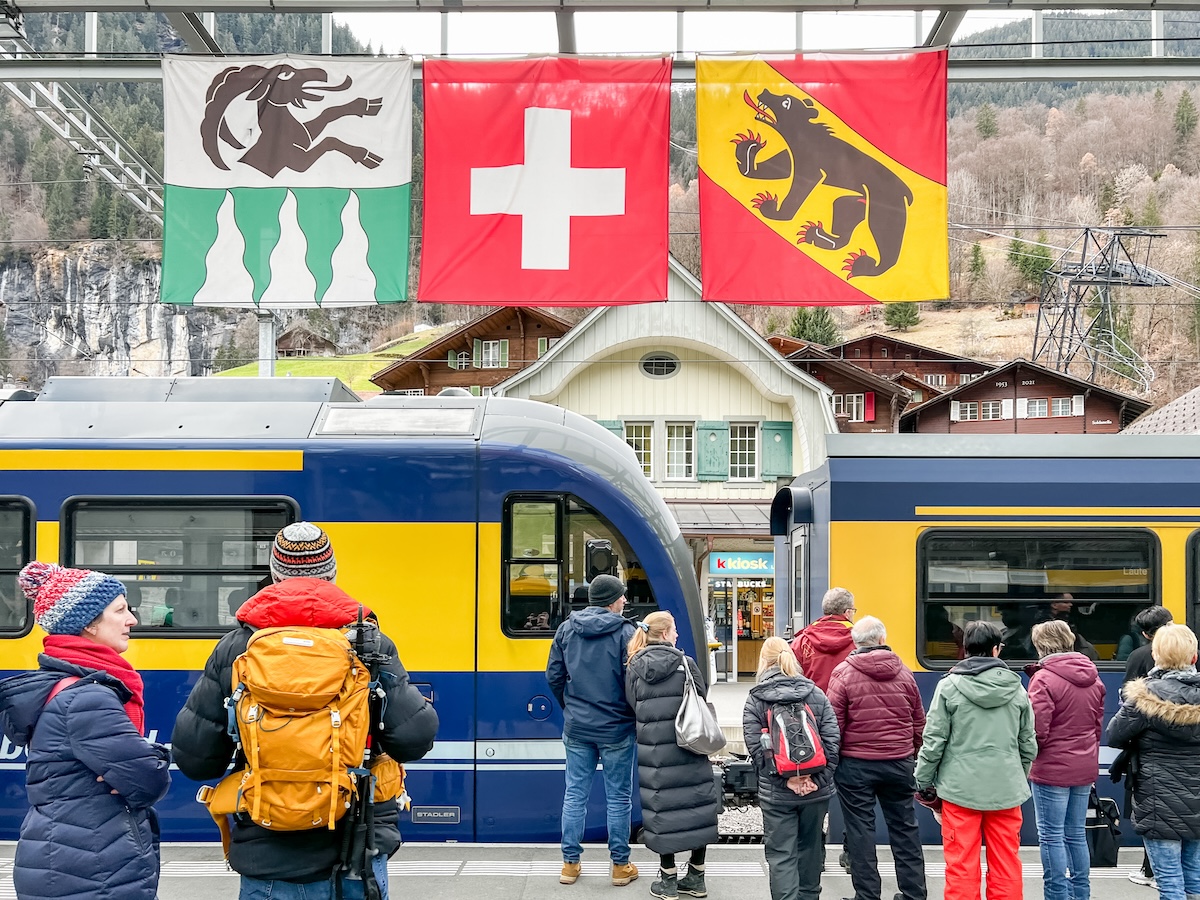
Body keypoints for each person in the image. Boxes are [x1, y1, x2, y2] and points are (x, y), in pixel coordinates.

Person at [171, 522, 438, 900]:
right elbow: (414, 738)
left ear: (275, 575)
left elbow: (196, 759)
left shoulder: (238, 647)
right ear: (331, 574)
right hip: (355, 847)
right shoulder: (369, 643)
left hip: (267, 847)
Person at [0, 562, 171, 900]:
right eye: (120, 610)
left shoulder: (64, 686)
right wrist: (155, 756)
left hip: (69, 857)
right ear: (90, 623)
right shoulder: (88, 697)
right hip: (92, 866)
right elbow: (148, 780)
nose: (132, 619)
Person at [915, 620, 1036, 900]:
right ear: (995, 650)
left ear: (965, 649)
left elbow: (933, 741)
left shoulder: (949, 687)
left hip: (959, 791)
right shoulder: (1017, 689)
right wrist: (1017, 774)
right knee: (1006, 863)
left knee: (961, 864)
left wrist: (924, 780)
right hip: (1006, 790)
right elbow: (1028, 743)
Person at [546, 573, 640, 887]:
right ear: (612, 600)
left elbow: (554, 677)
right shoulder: (627, 632)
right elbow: (633, 683)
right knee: (618, 799)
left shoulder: (566, 630)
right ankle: (619, 866)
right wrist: (627, 713)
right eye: (622, 596)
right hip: (616, 729)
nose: (625, 601)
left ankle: (570, 865)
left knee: (574, 795)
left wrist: (571, 708)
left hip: (578, 727)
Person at [826, 616, 927, 900]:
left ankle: (867, 896)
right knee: (905, 828)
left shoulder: (843, 673)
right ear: (882, 640)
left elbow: (834, 726)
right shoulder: (905, 672)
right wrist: (912, 753)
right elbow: (919, 722)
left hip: (856, 766)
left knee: (860, 831)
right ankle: (914, 894)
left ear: (855, 644)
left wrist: (835, 761)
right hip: (899, 762)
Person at [625, 611, 720, 900]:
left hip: (654, 753)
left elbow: (633, 706)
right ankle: (697, 877)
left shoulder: (633, 667)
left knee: (662, 809)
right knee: (697, 808)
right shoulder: (685, 664)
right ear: (665, 634)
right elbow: (701, 696)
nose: (677, 634)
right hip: (689, 745)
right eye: (675, 630)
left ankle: (667, 881)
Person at [743, 636, 840, 900]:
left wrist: (786, 780)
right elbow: (832, 743)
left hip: (777, 793)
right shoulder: (815, 693)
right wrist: (815, 781)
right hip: (815, 793)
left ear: (764, 662)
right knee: (810, 849)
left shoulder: (756, 699)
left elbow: (757, 750)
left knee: (781, 855)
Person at [1108, 624, 1200, 900]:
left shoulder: (1145, 696)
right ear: (1194, 657)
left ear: (1157, 657)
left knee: (1169, 881)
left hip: (1157, 800)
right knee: (1194, 878)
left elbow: (1114, 734)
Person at [1025, 620, 1106, 900]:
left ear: (1041, 645)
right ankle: (1081, 893)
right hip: (1084, 766)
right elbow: (1096, 727)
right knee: (1075, 834)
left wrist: (1028, 758)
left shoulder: (1043, 679)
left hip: (1051, 768)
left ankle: (1057, 895)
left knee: (1051, 836)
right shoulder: (1093, 677)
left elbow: (1038, 731)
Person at [1123, 606, 1174, 888]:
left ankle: (1153, 871)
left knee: (1151, 809)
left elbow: (1126, 704)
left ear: (1144, 634)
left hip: (1147, 747)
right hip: (1188, 749)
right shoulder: (1194, 655)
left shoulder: (1139, 656)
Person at [790, 587, 856, 692]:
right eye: (853, 610)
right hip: (849, 706)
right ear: (847, 612)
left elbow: (791, 681)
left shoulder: (801, 642)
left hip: (811, 706)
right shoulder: (860, 640)